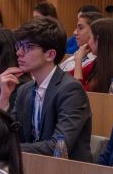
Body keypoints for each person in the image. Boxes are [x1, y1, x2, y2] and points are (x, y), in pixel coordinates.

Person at [5, 17, 92, 161]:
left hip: (68, 171)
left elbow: (58, 147)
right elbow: (9, 134)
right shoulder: (24, 90)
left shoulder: (71, 90)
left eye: (27, 47)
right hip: (32, 165)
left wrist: (8, 148)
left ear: (50, 54)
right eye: (19, 46)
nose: (19, 52)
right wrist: (4, 99)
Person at [73, 18, 113, 93]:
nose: (88, 42)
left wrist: (78, 59)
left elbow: (77, 93)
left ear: (98, 40)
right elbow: (69, 76)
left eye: (90, 37)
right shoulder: (98, 61)